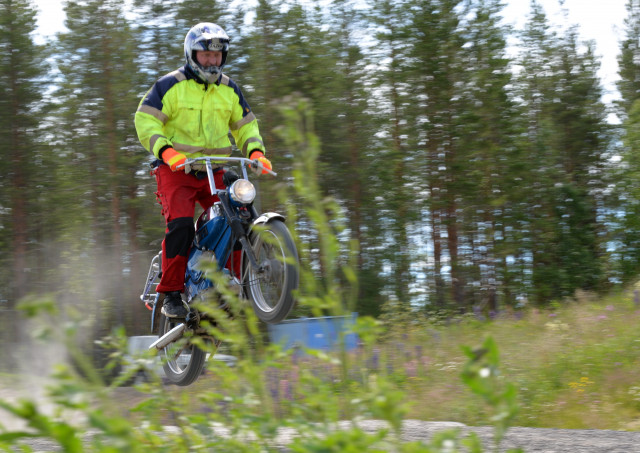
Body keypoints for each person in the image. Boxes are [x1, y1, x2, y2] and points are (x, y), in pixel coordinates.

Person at [135, 22, 272, 318]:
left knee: (240, 217)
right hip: (176, 169)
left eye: (217, 55)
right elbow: (145, 120)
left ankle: (230, 287)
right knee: (181, 226)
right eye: (205, 55)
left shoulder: (229, 90)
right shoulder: (170, 85)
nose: (212, 61)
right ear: (192, 55)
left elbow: (246, 126)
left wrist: (256, 152)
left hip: (216, 171)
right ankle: (170, 291)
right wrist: (166, 151)